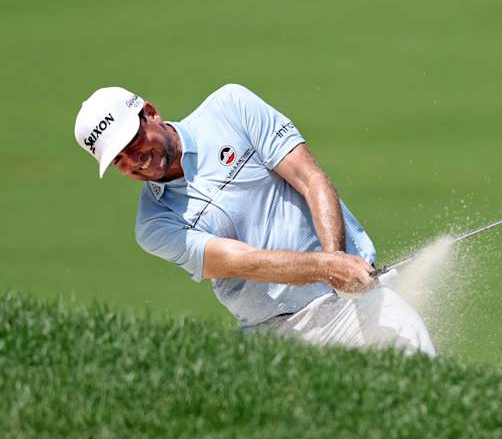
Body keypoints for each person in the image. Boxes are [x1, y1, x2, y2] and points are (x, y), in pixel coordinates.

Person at [73, 84, 435, 356]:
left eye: (133, 140)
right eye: (119, 158)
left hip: (352, 300)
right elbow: (242, 262)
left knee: (412, 358)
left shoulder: (230, 107)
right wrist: (329, 266)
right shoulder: (153, 224)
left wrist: (336, 264)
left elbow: (309, 178)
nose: (135, 159)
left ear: (150, 112)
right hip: (275, 334)